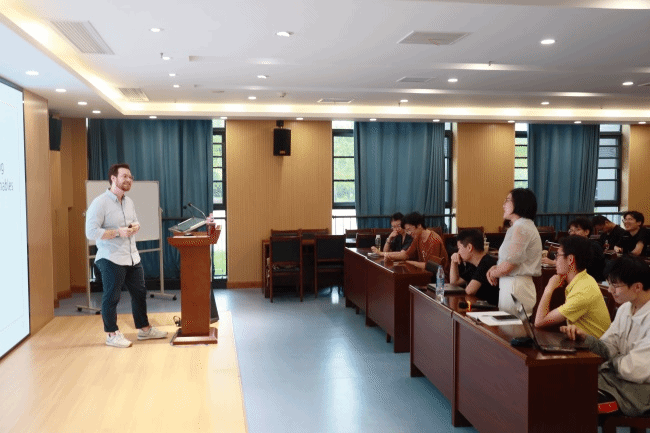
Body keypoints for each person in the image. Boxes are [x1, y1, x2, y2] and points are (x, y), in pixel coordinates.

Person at [85, 163, 167, 348]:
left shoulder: (129, 202)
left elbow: (134, 221)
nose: (129, 180)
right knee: (112, 297)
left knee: (139, 293)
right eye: (125, 176)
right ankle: (112, 334)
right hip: (111, 257)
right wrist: (117, 232)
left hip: (131, 256)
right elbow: (91, 232)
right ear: (113, 178)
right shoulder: (100, 203)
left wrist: (136, 226)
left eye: (130, 177)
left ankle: (144, 329)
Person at [561, 256, 650, 416]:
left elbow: (635, 369)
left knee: (579, 405)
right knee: (563, 387)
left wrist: (611, 361)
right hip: (615, 379)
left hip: (637, 392)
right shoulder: (625, 309)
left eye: (615, 285)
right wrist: (586, 338)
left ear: (637, 287)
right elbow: (609, 346)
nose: (610, 290)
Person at [534, 235, 611, 337]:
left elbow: (539, 322)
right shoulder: (583, 280)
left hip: (594, 346)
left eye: (557, 255)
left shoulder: (583, 290)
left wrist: (548, 289)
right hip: (582, 342)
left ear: (570, 259)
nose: (555, 260)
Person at [486, 188, 542, 315]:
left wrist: (494, 272)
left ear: (519, 203)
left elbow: (510, 264)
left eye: (507, 200)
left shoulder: (521, 227)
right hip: (513, 284)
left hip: (516, 286)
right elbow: (510, 260)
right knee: (509, 325)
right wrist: (496, 268)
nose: (503, 205)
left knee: (513, 325)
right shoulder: (520, 226)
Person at [541, 218, 605, 282]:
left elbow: (581, 267)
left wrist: (554, 262)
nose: (573, 233)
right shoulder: (573, 247)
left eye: (577, 230)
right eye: (571, 230)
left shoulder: (593, 247)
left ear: (586, 232)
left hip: (591, 281)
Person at [380, 211, 448, 269]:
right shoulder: (417, 237)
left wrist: (409, 262)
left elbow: (431, 266)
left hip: (438, 276)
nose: (409, 233)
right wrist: (389, 256)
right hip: (424, 273)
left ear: (419, 225)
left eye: (409, 230)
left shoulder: (434, 240)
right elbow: (406, 254)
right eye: (407, 231)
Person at [449, 229, 499, 305]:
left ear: (469, 247)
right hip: (479, 307)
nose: (458, 252)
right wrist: (453, 262)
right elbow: (454, 283)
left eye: (459, 248)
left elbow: (469, 291)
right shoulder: (474, 264)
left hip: (490, 309)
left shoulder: (486, 263)